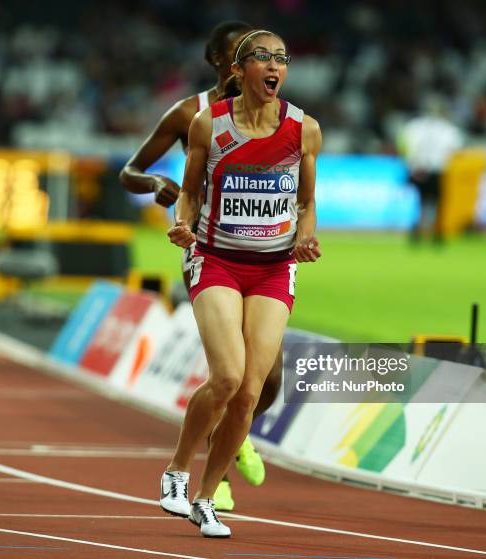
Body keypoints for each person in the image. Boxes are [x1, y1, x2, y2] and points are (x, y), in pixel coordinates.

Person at [160, 29, 322, 538]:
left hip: (274, 266)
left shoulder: (304, 129)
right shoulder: (211, 124)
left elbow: (306, 203)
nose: (275, 66)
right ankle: (176, 471)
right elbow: (189, 192)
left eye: (282, 59)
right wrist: (183, 224)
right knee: (227, 376)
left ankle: (206, 498)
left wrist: (305, 237)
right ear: (238, 70)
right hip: (216, 259)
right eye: (263, 57)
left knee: (251, 390)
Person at [119, 21, 282, 512]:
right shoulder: (189, 113)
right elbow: (129, 171)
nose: (249, 64)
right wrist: (155, 185)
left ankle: (238, 428)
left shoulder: (276, 115)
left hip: (262, 254)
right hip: (208, 250)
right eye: (240, 54)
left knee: (267, 378)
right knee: (229, 372)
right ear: (218, 60)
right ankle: (217, 467)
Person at [398, 94, 464, 242]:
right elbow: (455, 151)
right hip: (437, 170)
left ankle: (417, 231)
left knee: (420, 202)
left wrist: (411, 162)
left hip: (417, 169)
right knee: (438, 203)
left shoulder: (413, 126)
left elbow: (403, 146)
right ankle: (437, 233)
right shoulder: (449, 129)